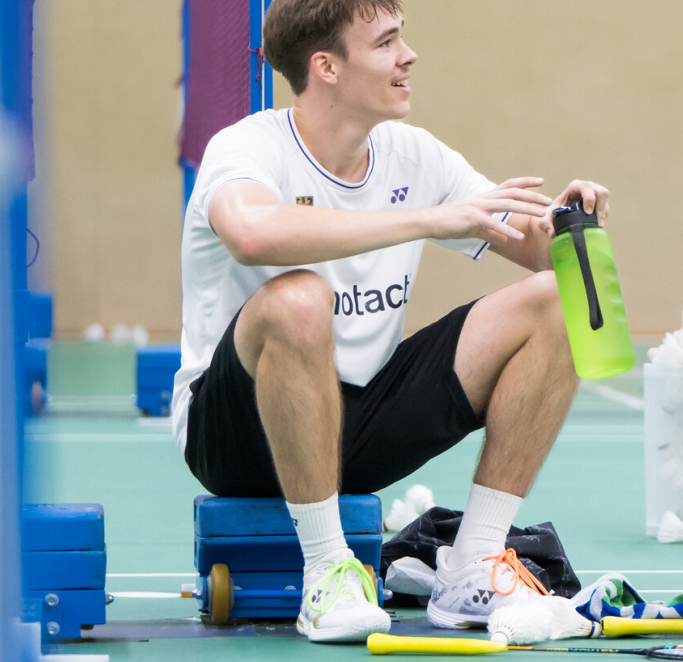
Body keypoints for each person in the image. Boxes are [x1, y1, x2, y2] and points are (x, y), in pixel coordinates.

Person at [172, 0, 608, 643]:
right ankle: (327, 572)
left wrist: (572, 225)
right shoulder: (245, 148)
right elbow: (254, 235)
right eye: (385, 43)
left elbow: (532, 245)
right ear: (325, 66)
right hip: (237, 433)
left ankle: (475, 563)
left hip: (360, 421)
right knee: (299, 298)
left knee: (550, 299)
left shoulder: (415, 155)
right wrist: (430, 220)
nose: (408, 56)